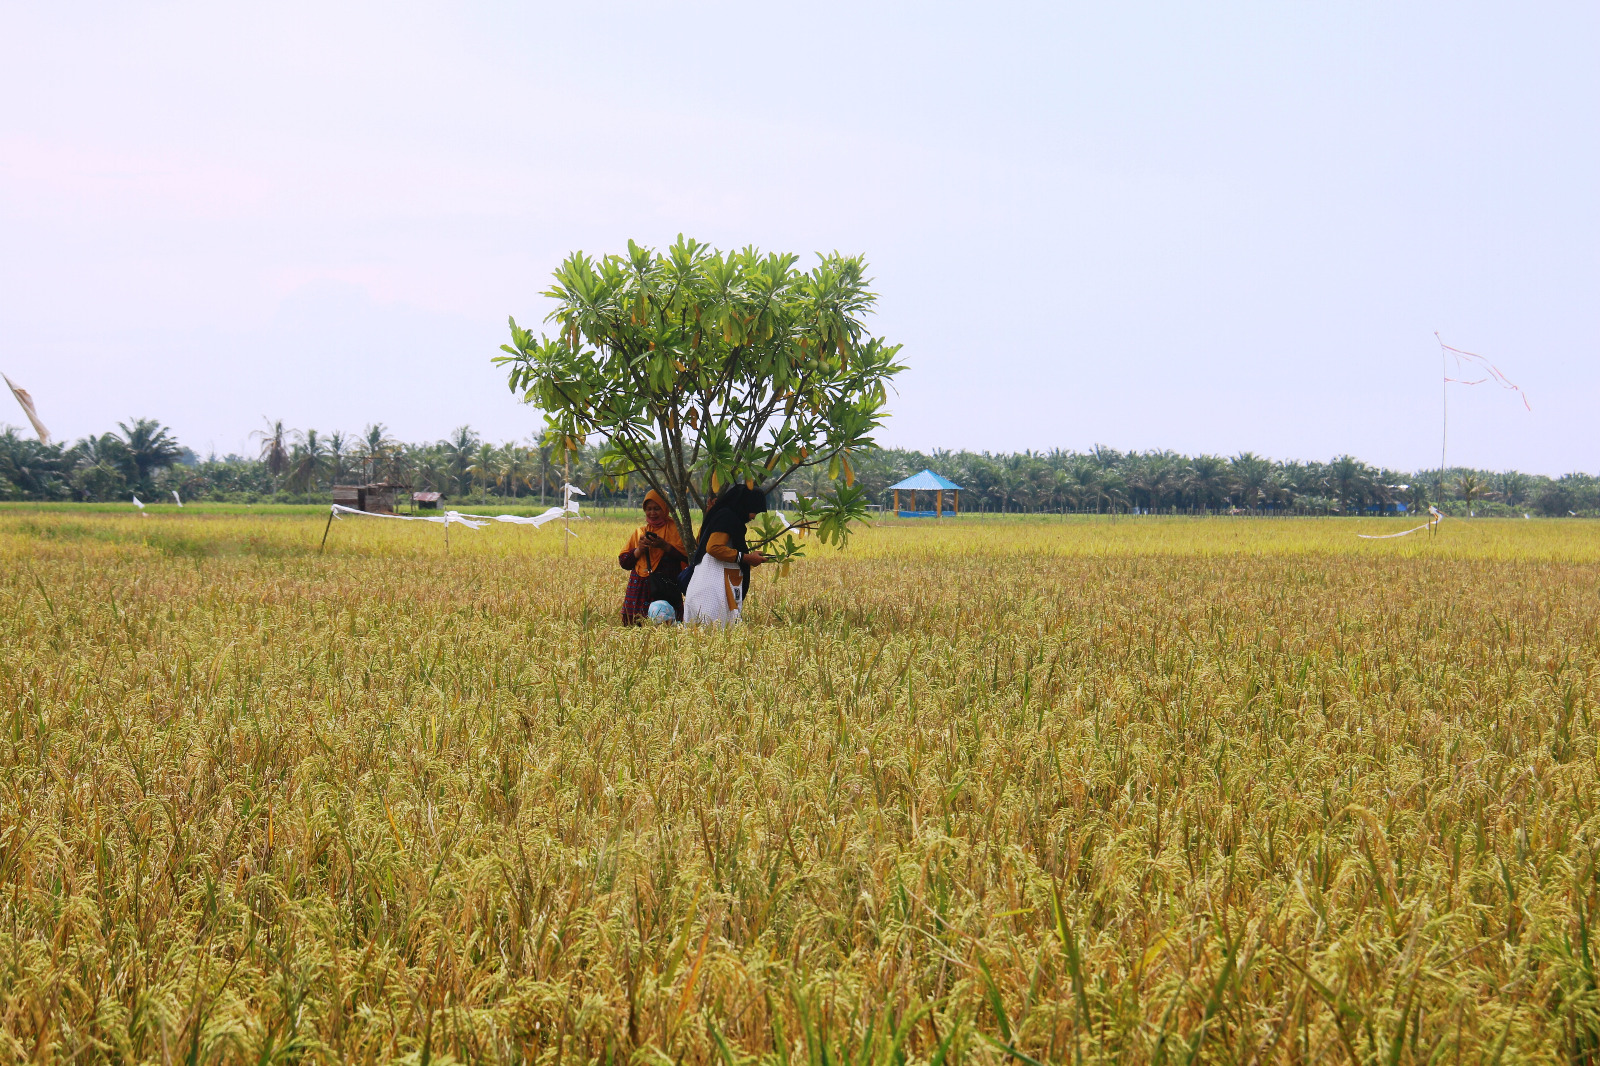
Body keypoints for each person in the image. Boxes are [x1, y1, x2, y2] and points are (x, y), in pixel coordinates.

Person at [684, 485, 768, 626]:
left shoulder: (719, 515)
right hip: (713, 590)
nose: (753, 516)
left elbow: (703, 542)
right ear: (745, 505)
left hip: (704, 586)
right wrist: (747, 558)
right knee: (714, 630)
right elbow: (713, 548)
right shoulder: (727, 517)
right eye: (754, 511)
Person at [618, 489, 687, 624]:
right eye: (648, 509)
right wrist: (639, 550)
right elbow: (624, 562)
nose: (652, 513)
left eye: (657, 508)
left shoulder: (677, 531)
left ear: (665, 509)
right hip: (638, 592)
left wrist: (665, 546)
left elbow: (689, 558)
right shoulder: (640, 532)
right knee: (635, 628)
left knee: (666, 629)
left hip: (665, 590)